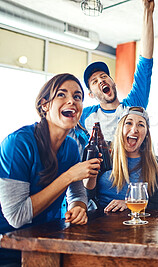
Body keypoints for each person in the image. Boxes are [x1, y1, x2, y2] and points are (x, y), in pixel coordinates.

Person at [0, 74, 101, 265]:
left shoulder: (71, 147)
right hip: (8, 247)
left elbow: (78, 194)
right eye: (62, 95)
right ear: (44, 105)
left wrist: (78, 208)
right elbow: (16, 217)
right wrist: (69, 176)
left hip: (48, 240)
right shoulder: (18, 144)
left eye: (77, 96)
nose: (72, 100)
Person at [70, 0, 155, 152]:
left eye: (104, 76)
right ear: (90, 94)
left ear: (112, 82)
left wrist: (147, 12)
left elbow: (145, 62)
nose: (101, 80)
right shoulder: (85, 116)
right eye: (94, 81)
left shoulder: (132, 106)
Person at [84, 106, 158, 212]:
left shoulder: (155, 163)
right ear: (120, 128)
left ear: (146, 134)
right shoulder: (104, 153)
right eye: (128, 123)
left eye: (141, 125)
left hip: (136, 222)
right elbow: (86, 196)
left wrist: (129, 204)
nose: (134, 130)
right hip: (100, 219)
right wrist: (91, 175)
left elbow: (156, 204)